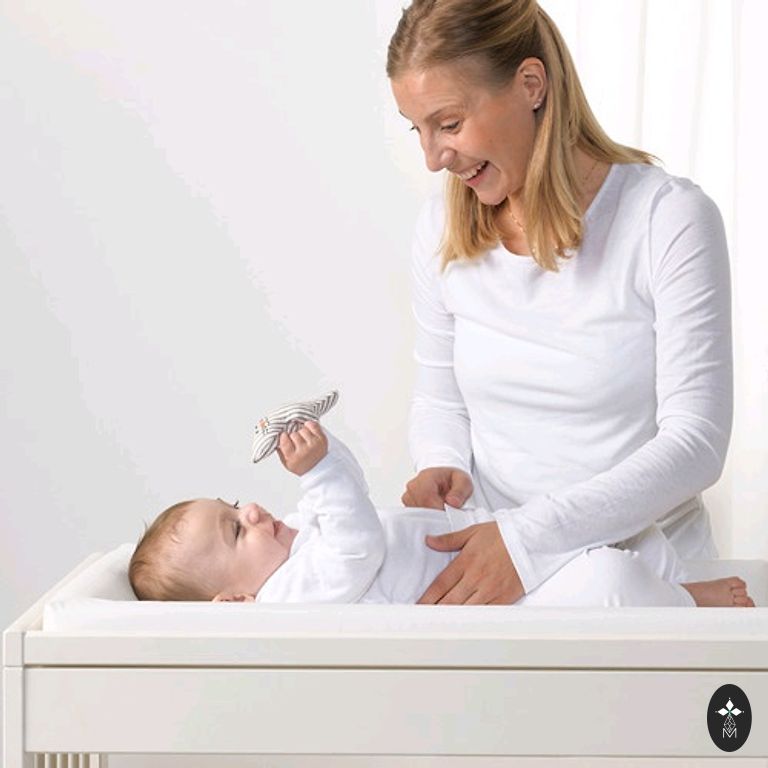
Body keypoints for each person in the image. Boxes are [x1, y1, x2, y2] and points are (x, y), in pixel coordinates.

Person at [387, 0, 736, 605]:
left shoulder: (667, 219)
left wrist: (529, 540)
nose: (433, 157)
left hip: (651, 582)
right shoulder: (441, 226)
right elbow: (440, 397)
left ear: (531, 85)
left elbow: (696, 444)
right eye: (416, 128)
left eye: (449, 123)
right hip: (500, 577)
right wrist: (443, 463)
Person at [128, 420, 753, 607]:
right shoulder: (292, 597)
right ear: (235, 600)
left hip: (489, 542)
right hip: (499, 601)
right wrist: (318, 471)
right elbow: (356, 544)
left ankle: (672, 578)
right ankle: (687, 603)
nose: (254, 510)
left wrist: (324, 455)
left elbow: (344, 504)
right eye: (236, 530)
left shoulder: (296, 546)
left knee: (605, 531)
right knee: (606, 584)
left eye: (235, 505)